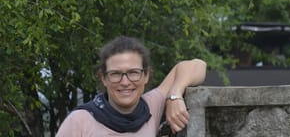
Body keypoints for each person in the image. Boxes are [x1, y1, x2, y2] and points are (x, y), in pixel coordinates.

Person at [57, 36, 207, 136]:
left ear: (146, 75)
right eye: (115, 74)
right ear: (104, 78)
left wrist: (174, 96)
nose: (125, 82)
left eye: (133, 72)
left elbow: (198, 66)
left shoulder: (151, 107)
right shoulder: (80, 120)